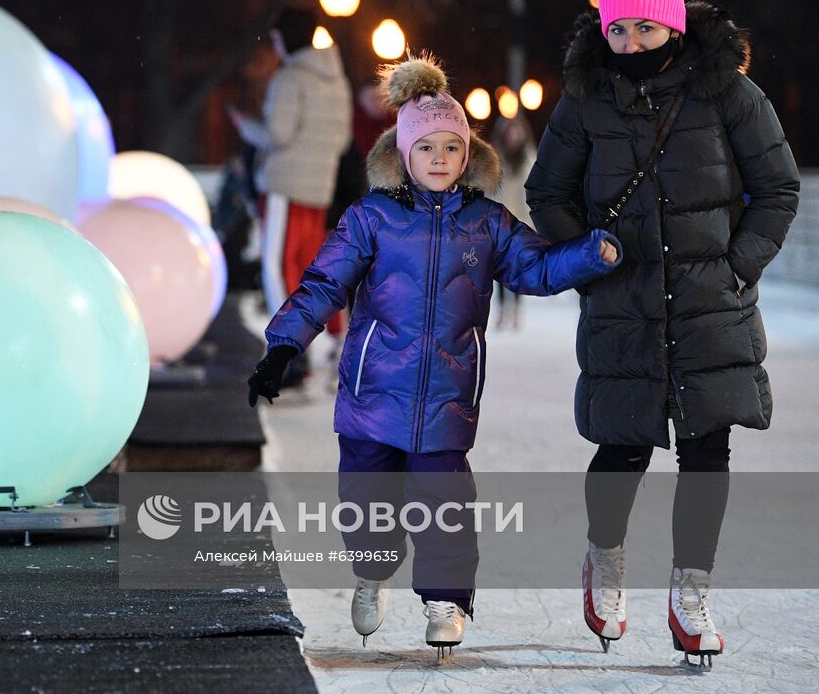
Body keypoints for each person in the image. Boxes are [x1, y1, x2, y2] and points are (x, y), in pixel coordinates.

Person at [246, 54, 621, 657]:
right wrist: (283, 345)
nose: (440, 158)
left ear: (467, 154)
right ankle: (372, 573)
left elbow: (536, 268)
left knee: (446, 507)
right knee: (367, 507)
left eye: (452, 147)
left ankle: (446, 599)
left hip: (447, 399)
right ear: (404, 154)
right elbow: (324, 284)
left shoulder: (488, 224)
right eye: (427, 149)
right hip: (372, 397)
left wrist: (589, 254)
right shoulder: (372, 218)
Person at [524, 0, 800, 666]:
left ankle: (690, 594)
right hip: (627, 305)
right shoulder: (588, 101)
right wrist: (589, 263)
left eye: (645, 29)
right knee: (623, 444)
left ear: (673, 24)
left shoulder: (729, 93)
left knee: (709, 447)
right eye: (619, 32)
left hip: (713, 306)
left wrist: (737, 266)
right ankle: (605, 561)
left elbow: (778, 187)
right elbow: (546, 193)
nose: (631, 45)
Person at [229, 8, 353, 381]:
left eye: (278, 38)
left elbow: (278, 135)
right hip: (320, 187)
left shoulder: (291, 77)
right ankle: (337, 341)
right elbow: (344, 138)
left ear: (287, 38)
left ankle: (291, 354)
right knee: (313, 268)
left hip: (285, 186)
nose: (276, 46)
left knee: (277, 268)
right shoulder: (337, 78)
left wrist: (246, 127)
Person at [487, 114, 538, 329]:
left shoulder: (530, 159)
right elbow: (488, 192)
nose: (513, 135)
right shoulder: (494, 160)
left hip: (521, 222)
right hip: (499, 222)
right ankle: (501, 312)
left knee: (517, 269)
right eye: (509, 131)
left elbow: (534, 193)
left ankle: (516, 311)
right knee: (499, 270)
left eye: (516, 131)